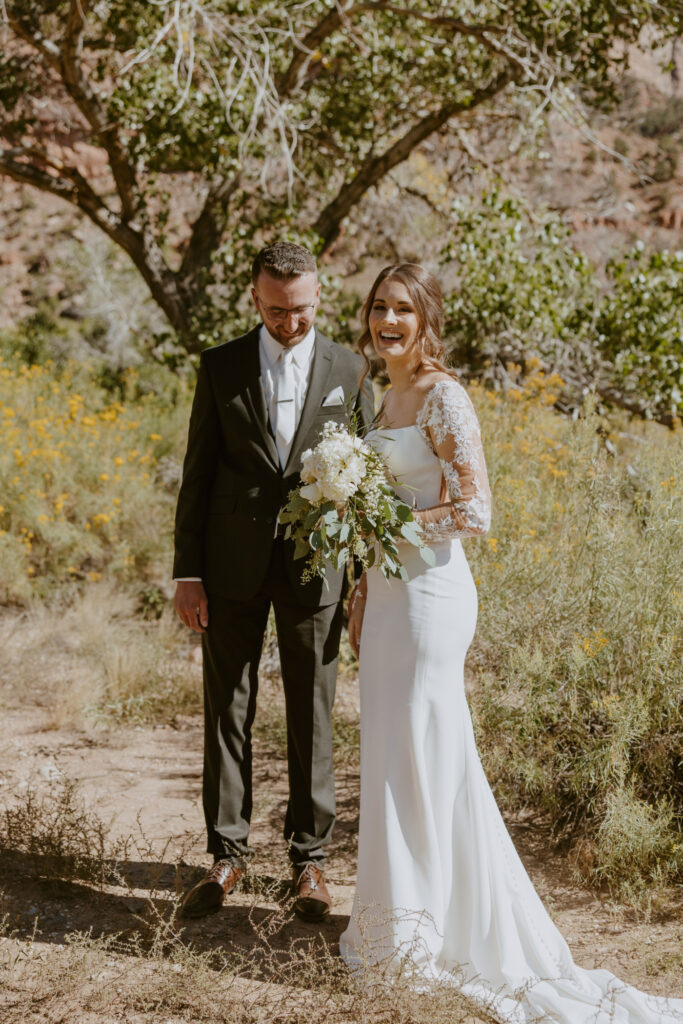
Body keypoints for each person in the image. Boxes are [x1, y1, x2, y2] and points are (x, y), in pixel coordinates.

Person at [340, 263, 683, 1022]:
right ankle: (398, 918)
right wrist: (361, 593)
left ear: (425, 319)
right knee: (392, 750)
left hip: (432, 598)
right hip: (389, 599)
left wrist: (394, 532)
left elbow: (475, 511)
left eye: (402, 309)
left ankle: (432, 929)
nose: (386, 320)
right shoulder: (377, 396)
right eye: (377, 308)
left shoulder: (442, 396)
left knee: (426, 749)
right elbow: (370, 513)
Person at [173, 242, 371, 921]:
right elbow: (197, 474)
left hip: (315, 569)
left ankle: (309, 863)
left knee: (312, 713)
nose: (292, 323)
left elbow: (366, 479)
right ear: (255, 301)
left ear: (319, 297)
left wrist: (364, 579)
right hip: (228, 567)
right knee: (227, 706)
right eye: (278, 310)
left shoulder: (349, 367)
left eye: (304, 310)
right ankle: (225, 856)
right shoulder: (220, 365)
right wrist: (187, 572)